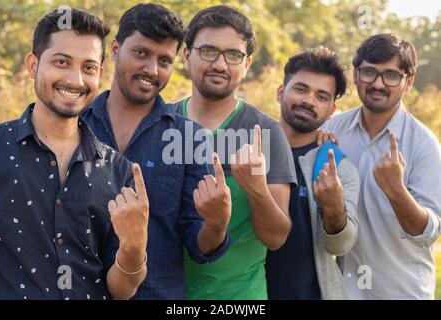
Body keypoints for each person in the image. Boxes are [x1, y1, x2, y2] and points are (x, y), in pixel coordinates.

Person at [0, 8, 148, 300]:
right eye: (61, 62)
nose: (75, 80)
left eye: (88, 67)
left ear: (100, 74)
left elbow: (122, 290)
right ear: (32, 64)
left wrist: (133, 247)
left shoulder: (118, 171)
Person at [81, 3, 231, 300]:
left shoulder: (189, 138)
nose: (152, 70)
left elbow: (199, 245)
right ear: (114, 50)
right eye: (141, 53)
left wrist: (217, 223)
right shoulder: (75, 124)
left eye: (164, 60)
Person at [173, 5, 297, 299]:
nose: (220, 64)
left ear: (247, 63)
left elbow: (276, 238)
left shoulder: (266, 133)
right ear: (186, 55)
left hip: (240, 297)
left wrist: (256, 190)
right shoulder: (160, 125)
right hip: (167, 294)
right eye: (208, 51)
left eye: (233, 55)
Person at [322, 33, 441, 299]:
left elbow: (427, 234)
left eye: (390, 75)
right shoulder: (331, 132)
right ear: (355, 75)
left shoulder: (423, 144)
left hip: (400, 292)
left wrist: (397, 191)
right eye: (369, 72)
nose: (377, 84)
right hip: (342, 292)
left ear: (408, 81)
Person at [265, 47, 360, 300]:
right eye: (301, 89)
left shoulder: (337, 167)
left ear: (331, 109)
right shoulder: (251, 150)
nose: (309, 101)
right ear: (280, 92)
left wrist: (333, 206)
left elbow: (341, 245)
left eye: (321, 96)